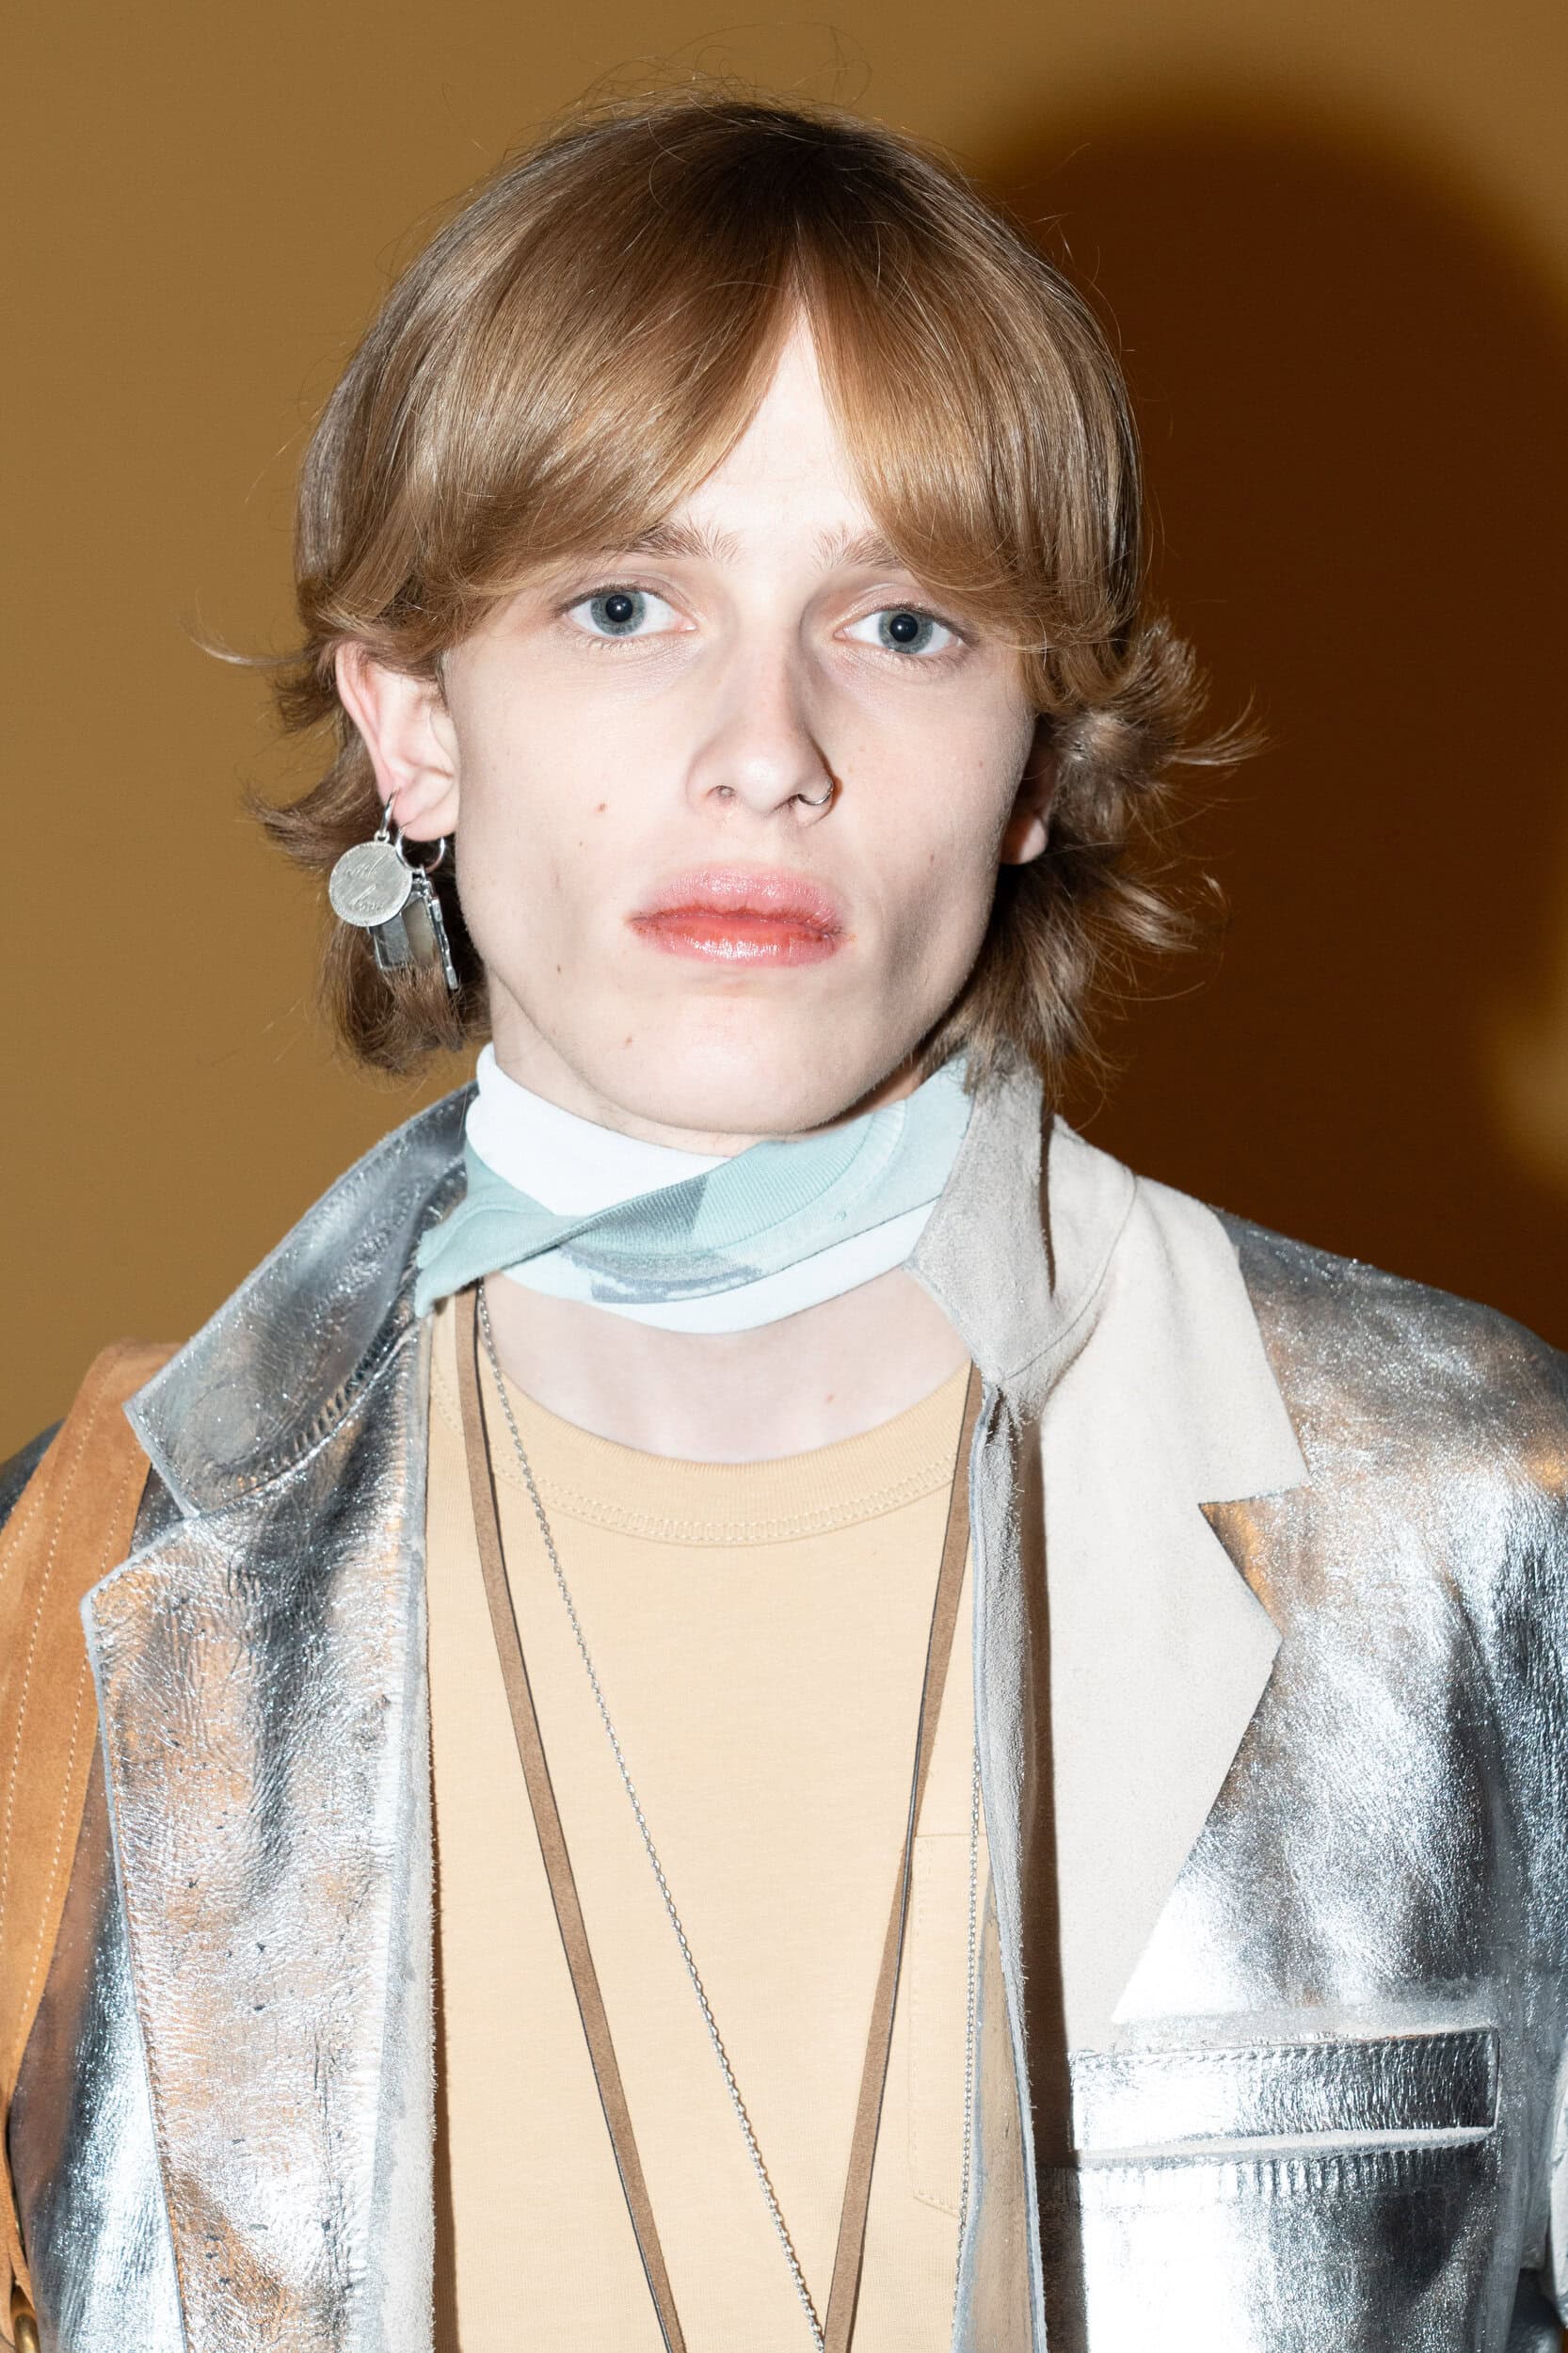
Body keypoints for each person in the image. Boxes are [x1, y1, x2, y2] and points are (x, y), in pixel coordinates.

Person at [2, 91, 1565, 2353]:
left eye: (903, 622)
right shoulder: (72, 1583)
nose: (767, 747)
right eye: (622, 604)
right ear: (414, 725)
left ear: (1034, 762)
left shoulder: (1479, 1515)